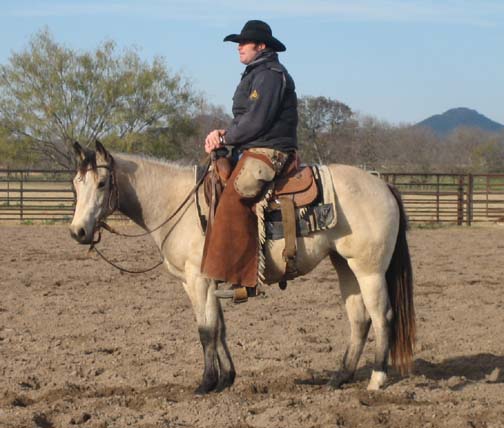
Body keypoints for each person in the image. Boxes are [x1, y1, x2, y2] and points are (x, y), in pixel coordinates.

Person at [201, 20, 298, 303]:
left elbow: (257, 120)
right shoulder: (256, 73)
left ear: (262, 46)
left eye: (244, 42)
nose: (239, 47)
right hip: (253, 146)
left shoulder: (269, 74)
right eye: (239, 43)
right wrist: (223, 134)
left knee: (236, 195)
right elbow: (246, 120)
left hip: (270, 151)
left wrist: (226, 136)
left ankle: (244, 280)